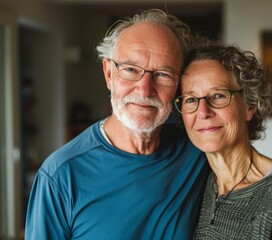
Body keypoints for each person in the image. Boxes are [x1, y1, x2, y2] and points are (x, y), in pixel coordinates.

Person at [25, 9, 209, 239]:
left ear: (179, 85)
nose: (145, 89)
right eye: (130, 70)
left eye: (163, 74)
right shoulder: (60, 176)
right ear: (109, 74)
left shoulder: (197, 149)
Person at [173, 39, 272, 239]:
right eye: (191, 100)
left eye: (219, 96)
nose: (203, 112)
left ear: (249, 105)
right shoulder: (196, 184)